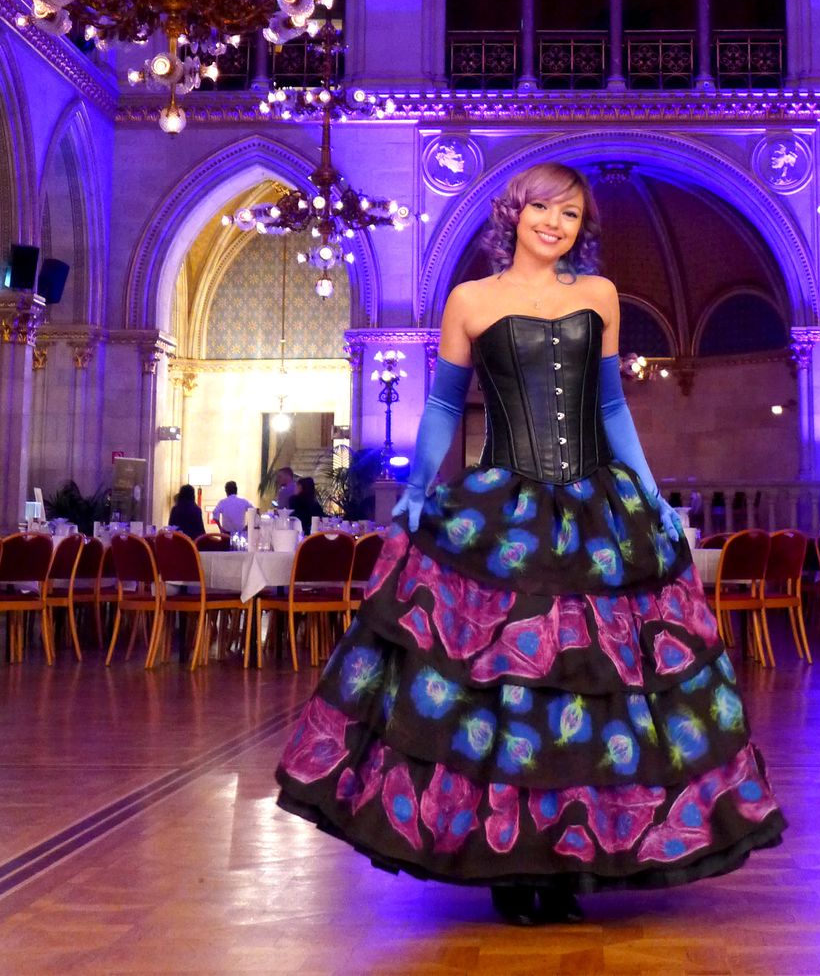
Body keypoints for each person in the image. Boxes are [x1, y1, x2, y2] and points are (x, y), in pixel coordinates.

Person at [277, 162, 783, 924]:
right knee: (509, 694)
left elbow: (612, 408)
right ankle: (510, 870)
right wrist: (416, 488)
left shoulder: (600, 296)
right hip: (501, 512)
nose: (555, 222)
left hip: (594, 513)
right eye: (543, 207)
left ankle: (569, 862)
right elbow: (445, 405)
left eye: (572, 214)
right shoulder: (471, 300)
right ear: (514, 213)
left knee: (586, 695)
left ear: (583, 229)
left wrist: (648, 491)